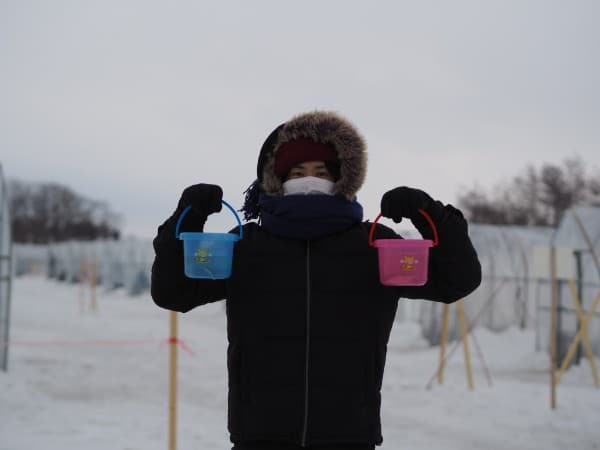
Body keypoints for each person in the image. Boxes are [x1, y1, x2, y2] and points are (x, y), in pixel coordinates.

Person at [151, 111, 482, 450]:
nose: (309, 181)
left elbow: (456, 279)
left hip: (349, 434)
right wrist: (188, 218)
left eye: (321, 172)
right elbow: (174, 291)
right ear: (276, 180)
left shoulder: (374, 245)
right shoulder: (245, 245)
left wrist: (428, 212)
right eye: (297, 172)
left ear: (343, 179)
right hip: (260, 434)